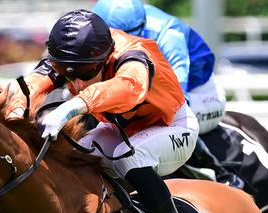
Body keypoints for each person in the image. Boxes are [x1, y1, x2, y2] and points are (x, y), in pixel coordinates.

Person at [5, 9, 210, 213]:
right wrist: (14, 110)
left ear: (104, 58)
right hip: (120, 127)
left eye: (86, 72)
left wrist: (71, 107)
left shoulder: (134, 56)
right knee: (77, 155)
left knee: (128, 158)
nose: (76, 81)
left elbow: (126, 89)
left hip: (171, 124)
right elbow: (29, 84)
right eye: (66, 74)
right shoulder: (76, 57)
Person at [92, 0, 244, 188]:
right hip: (158, 91)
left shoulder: (169, 36)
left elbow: (177, 95)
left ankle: (221, 174)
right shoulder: (125, 18)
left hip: (199, 93)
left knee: (171, 119)